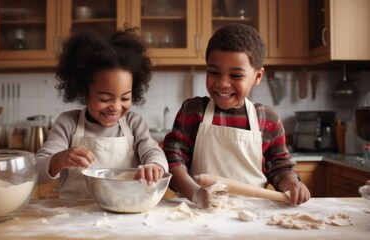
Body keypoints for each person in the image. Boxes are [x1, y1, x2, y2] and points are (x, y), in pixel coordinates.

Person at [163, 23, 310, 209]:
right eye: (214, 72)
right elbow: (173, 161)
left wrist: (291, 183)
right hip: (198, 212)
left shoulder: (268, 119)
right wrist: (195, 193)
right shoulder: (193, 111)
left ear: (257, 76)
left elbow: (280, 166)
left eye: (236, 76)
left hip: (252, 214)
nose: (223, 83)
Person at [36, 28, 168, 199]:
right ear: (84, 92)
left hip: (123, 213)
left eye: (125, 98)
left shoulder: (134, 123)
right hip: (74, 217)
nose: (116, 107)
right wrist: (59, 159)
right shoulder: (68, 123)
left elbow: (152, 151)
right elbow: (36, 172)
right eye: (105, 99)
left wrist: (155, 166)